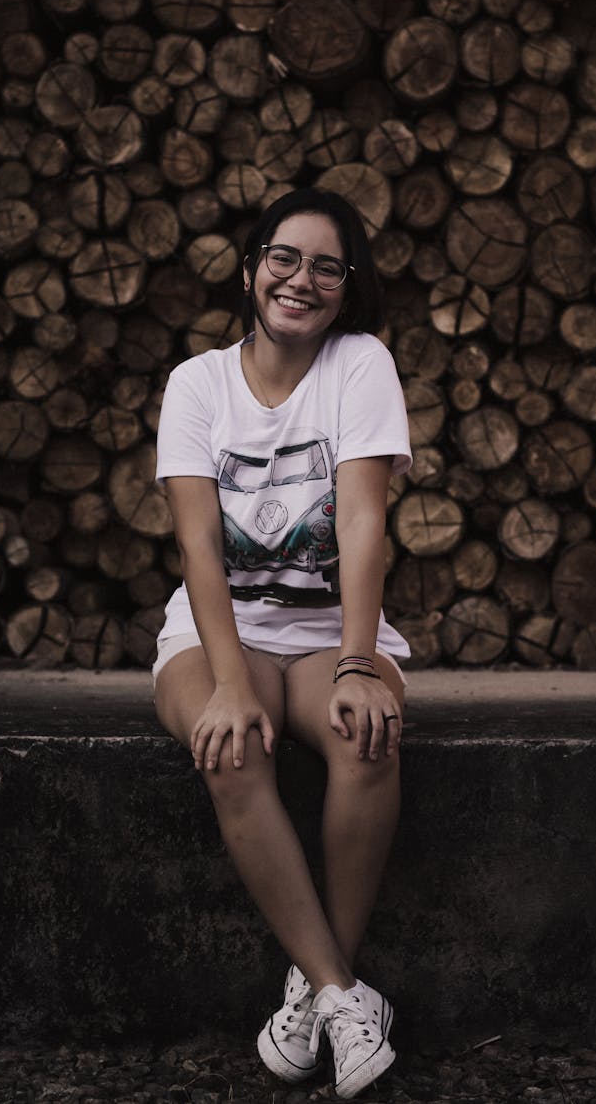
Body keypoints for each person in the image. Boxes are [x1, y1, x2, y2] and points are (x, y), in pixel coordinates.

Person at [152, 187, 412, 1100]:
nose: (301, 280)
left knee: (364, 734)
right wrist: (228, 682)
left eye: (326, 266)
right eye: (285, 258)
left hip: (322, 636)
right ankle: (345, 992)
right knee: (229, 746)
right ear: (254, 265)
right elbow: (198, 547)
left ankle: (315, 989)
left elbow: (367, 521)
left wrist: (355, 661)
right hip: (217, 633)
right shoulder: (197, 384)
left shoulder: (360, 365)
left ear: (348, 288)